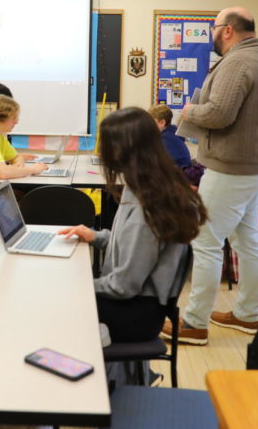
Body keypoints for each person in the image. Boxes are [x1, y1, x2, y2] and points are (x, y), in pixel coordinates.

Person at [162, 6, 258, 346]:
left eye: (213, 29)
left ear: (227, 30)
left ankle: (195, 324)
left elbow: (219, 114)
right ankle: (247, 315)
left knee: (206, 241)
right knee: (248, 241)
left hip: (229, 170)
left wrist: (189, 110)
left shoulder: (238, 62)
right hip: (255, 170)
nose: (210, 36)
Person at [58, 107, 205, 346]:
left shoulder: (147, 204)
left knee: (50, 301)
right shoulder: (148, 183)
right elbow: (133, 247)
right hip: (138, 303)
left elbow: (123, 286)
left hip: (134, 315)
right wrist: (96, 236)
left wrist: (76, 283)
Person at [148, 104, 191, 169]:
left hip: (176, 175)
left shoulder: (165, 140)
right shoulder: (173, 134)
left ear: (162, 122)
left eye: (151, 122)